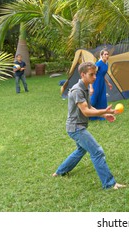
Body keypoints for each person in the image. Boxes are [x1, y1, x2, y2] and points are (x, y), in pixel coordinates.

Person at [52, 62, 125, 190]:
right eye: (91, 75)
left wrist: (104, 115)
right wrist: (106, 111)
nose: (95, 77)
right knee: (97, 152)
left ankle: (60, 171)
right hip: (76, 128)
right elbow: (86, 111)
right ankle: (109, 184)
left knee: (81, 150)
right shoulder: (77, 90)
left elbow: (89, 107)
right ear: (83, 74)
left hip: (77, 126)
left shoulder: (85, 87)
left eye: (95, 74)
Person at [90, 49, 113, 121]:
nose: (106, 56)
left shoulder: (107, 64)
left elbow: (102, 75)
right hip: (96, 82)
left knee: (102, 98)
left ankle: (101, 115)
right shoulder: (98, 64)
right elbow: (91, 75)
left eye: (107, 54)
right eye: (105, 54)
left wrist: (108, 83)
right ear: (101, 55)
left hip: (102, 83)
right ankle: (89, 114)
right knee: (94, 99)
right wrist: (91, 87)